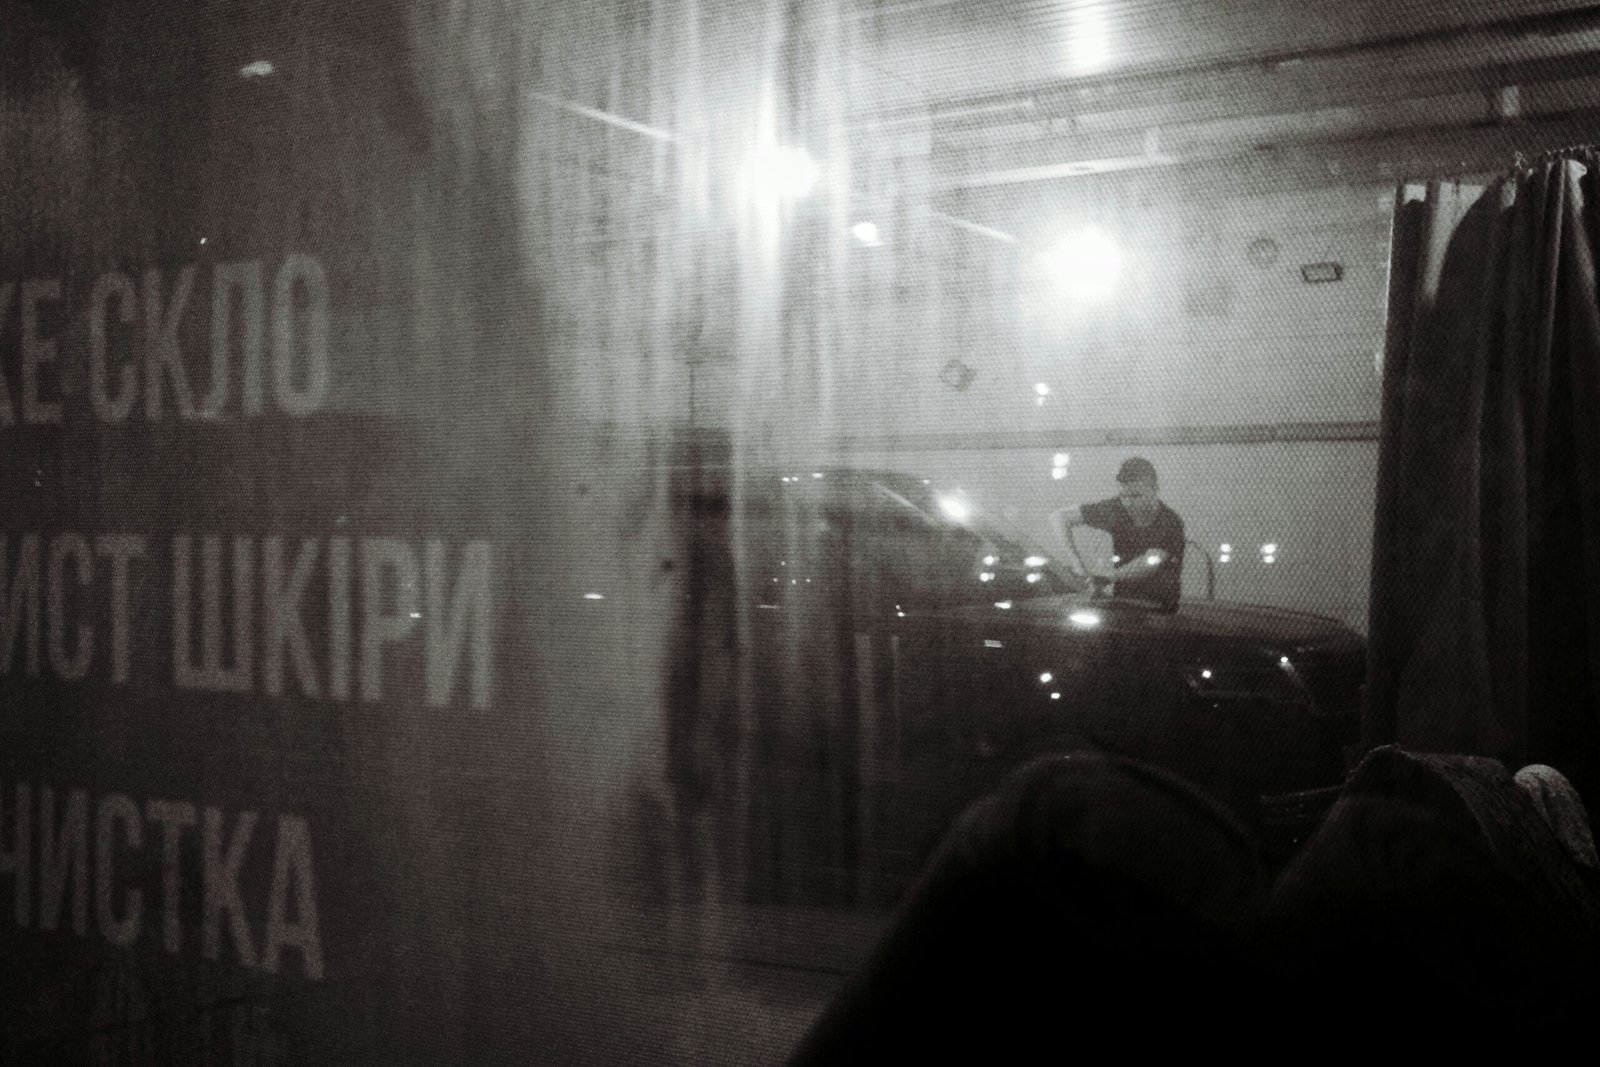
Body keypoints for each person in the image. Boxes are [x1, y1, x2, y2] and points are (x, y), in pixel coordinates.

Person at [1051, 456, 1185, 609]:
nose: (1128, 503)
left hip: (1160, 607)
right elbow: (1059, 517)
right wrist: (1076, 562)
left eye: (1136, 496)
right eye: (1123, 496)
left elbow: (1150, 561)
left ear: (1154, 489)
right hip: (1123, 602)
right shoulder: (1116, 509)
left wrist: (1107, 577)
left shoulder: (1170, 522)